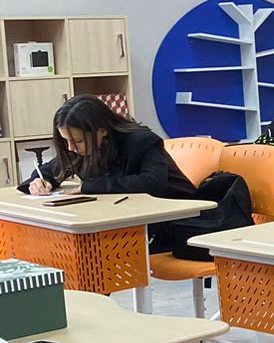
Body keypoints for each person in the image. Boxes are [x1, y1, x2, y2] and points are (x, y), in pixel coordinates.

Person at [21, 96, 199, 251]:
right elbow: (49, 170)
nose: (70, 147)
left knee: (91, 250)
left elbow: (152, 182)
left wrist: (89, 187)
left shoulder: (141, 142)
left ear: (102, 131)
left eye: (78, 141)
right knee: (77, 246)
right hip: (128, 220)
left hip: (173, 222)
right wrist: (41, 181)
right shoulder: (79, 150)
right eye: (65, 141)